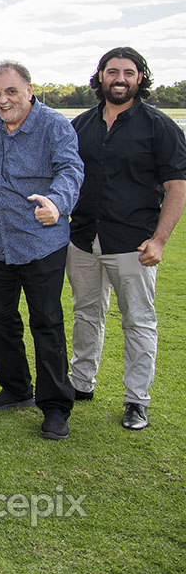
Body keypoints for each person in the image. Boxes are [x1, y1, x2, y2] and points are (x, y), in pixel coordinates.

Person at [67, 47, 186, 431]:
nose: (120, 78)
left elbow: (176, 186)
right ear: (100, 76)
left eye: (128, 72)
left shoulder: (159, 126)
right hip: (83, 237)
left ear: (140, 78)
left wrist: (160, 240)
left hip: (134, 242)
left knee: (138, 322)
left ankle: (137, 399)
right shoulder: (82, 124)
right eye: (112, 71)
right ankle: (81, 383)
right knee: (86, 314)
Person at [0, 60, 83, 441]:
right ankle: (16, 388)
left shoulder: (53, 125)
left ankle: (55, 406)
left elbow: (70, 170)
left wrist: (57, 202)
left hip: (40, 243)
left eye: (11, 91)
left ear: (29, 90)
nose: (3, 100)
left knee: (46, 323)